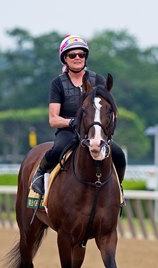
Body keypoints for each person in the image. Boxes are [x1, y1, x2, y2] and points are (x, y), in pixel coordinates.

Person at [31, 35, 126, 197]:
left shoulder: (98, 80)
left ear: (85, 57)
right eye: (72, 55)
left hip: (94, 131)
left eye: (81, 55)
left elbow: (106, 109)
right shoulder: (58, 83)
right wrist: (73, 122)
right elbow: (53, 119)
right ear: (64, 59)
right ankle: (39, 175)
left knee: (118, 154)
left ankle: (118, 188)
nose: (77, 58)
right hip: (69, 131)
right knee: (58, 149)